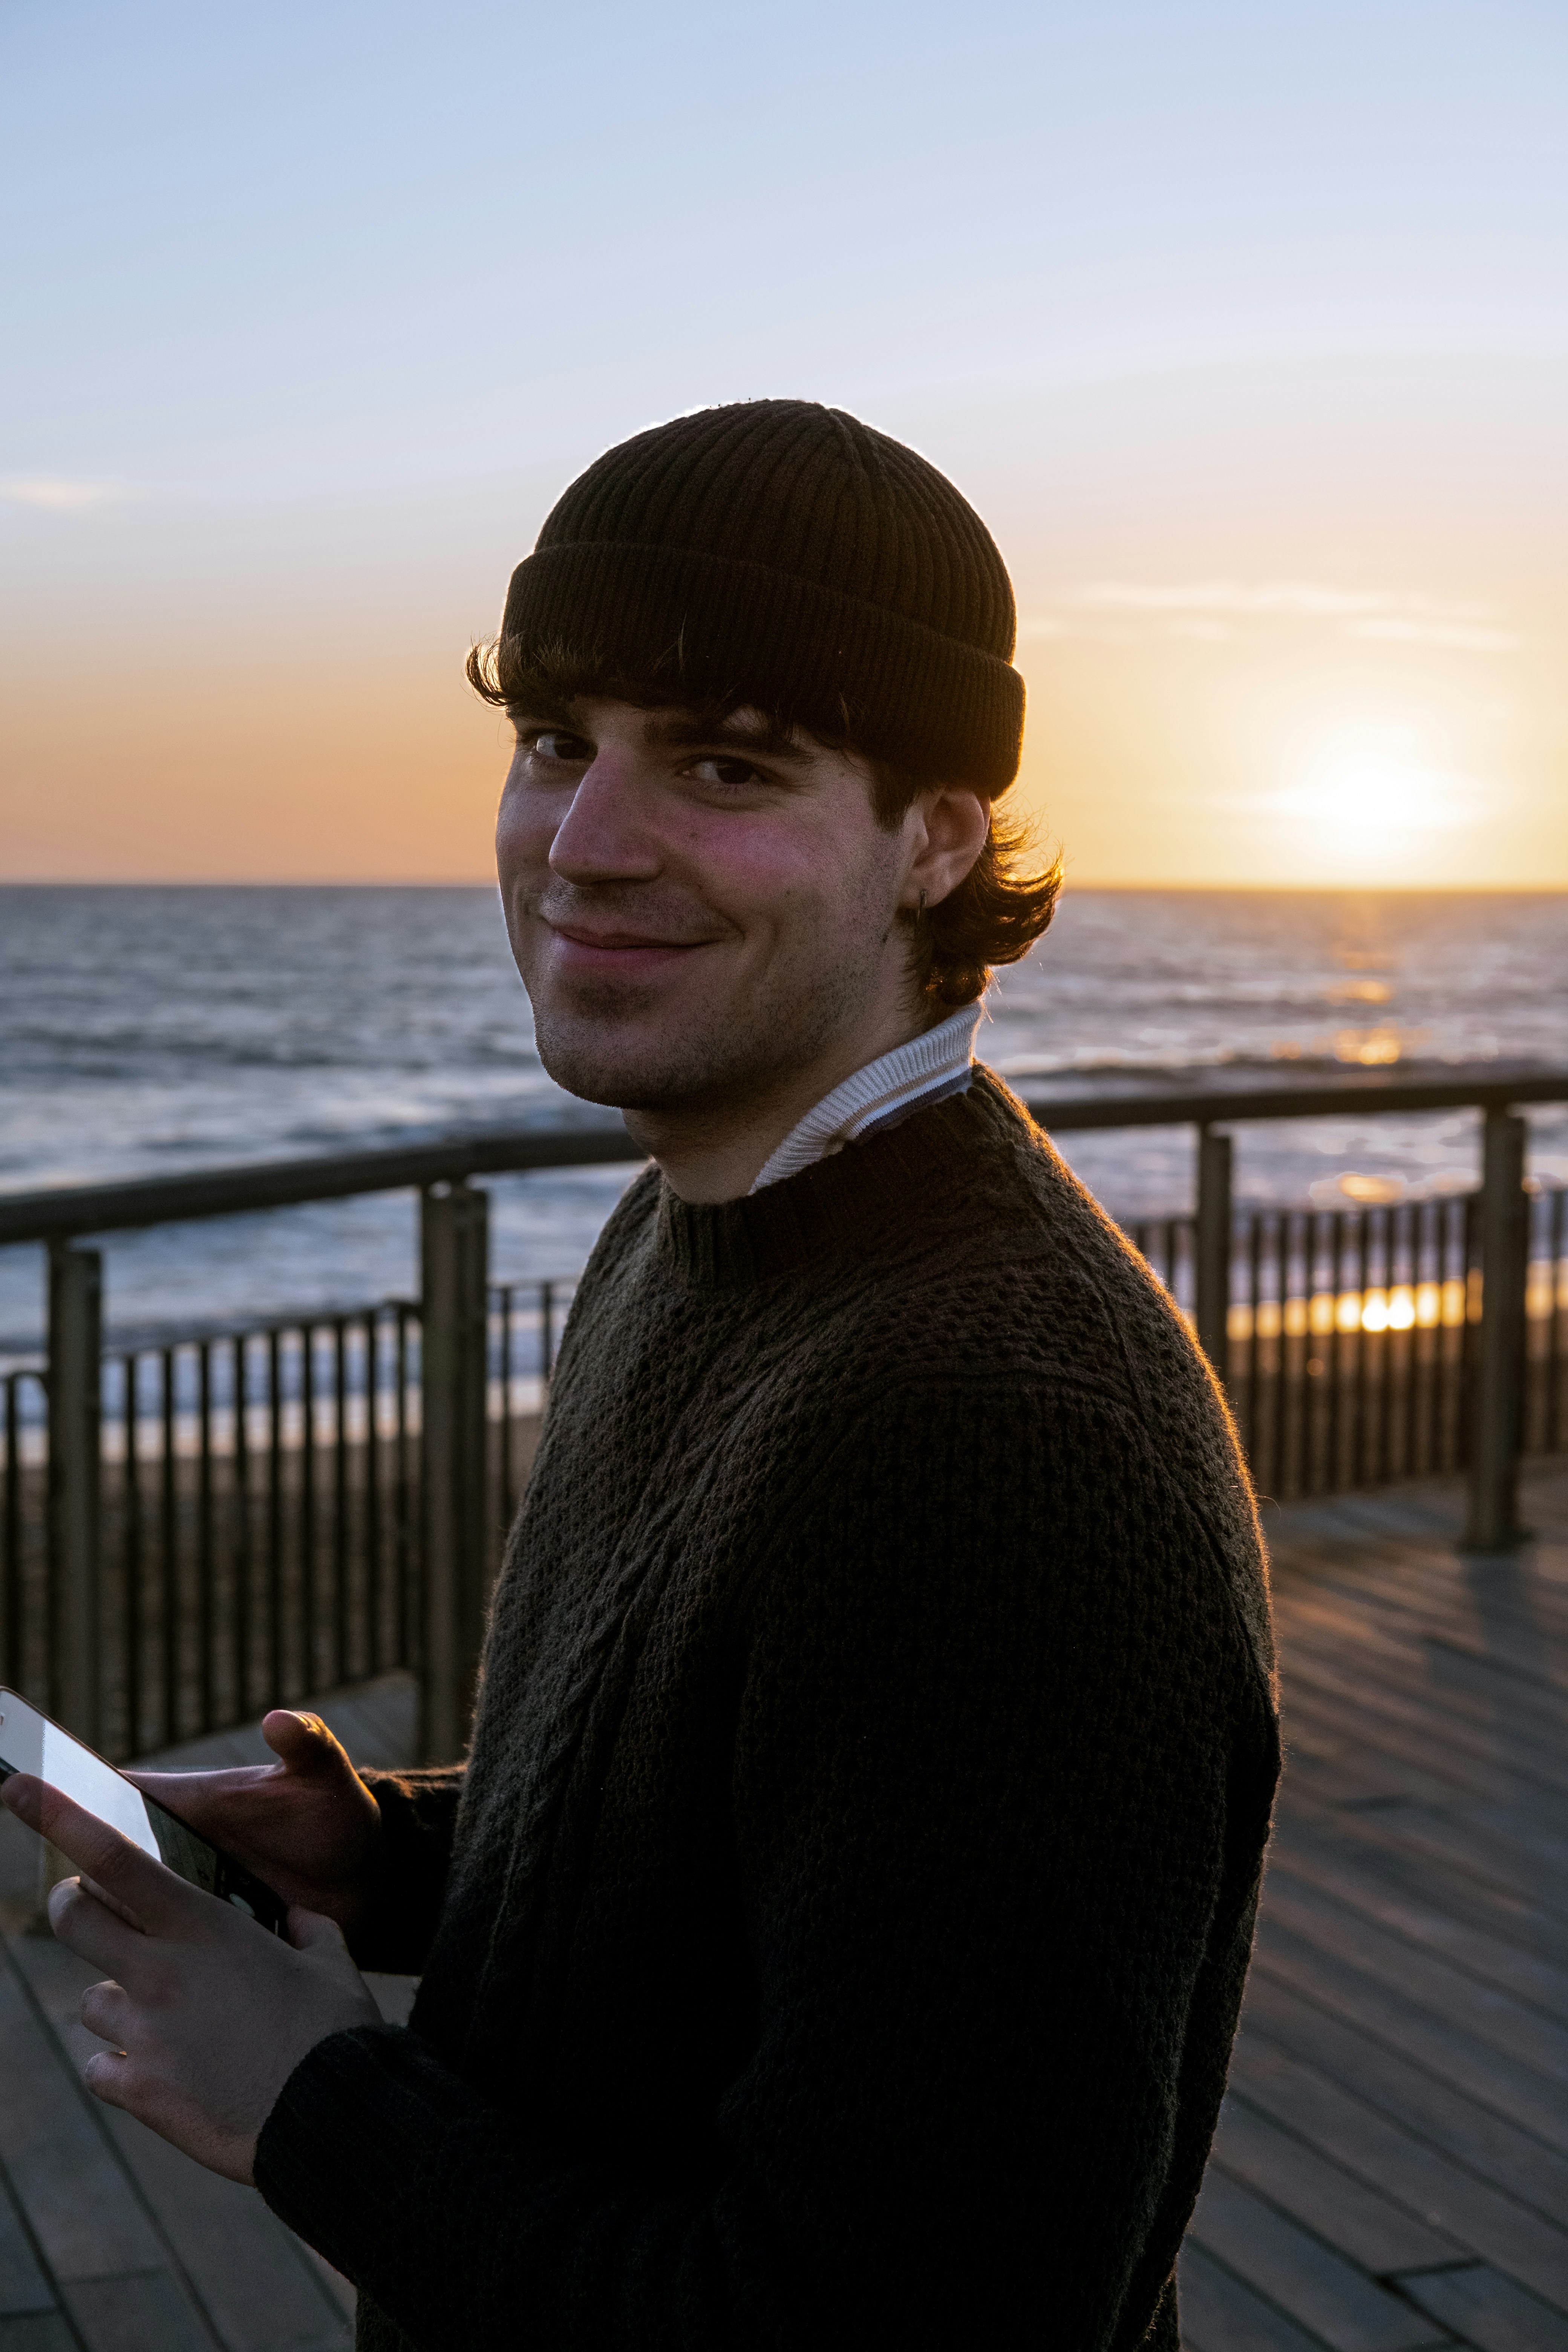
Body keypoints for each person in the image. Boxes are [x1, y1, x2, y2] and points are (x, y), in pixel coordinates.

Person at [5, 401, 1278, 2350]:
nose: (583, 846)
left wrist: (311, 2109)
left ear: (938, 838)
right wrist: (409, 1852)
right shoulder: (705, 1223)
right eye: (552, 744)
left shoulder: (994, 1444)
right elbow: (797, 1860)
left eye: (728, 763)